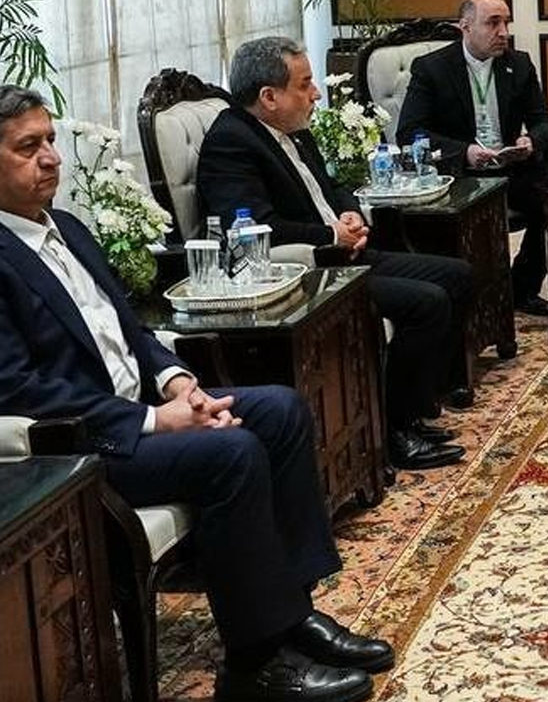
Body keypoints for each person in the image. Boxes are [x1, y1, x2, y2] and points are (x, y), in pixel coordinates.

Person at [0, 85, 390, 702]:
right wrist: (156, 420)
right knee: (232, 453)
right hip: (87, 446)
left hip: (148, 404)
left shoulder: (67, 227)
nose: (50, 157)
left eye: (50, 140)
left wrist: (179, 382)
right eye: (28, 147)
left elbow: (130, 329)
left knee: (282, 409)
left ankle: (294, 613)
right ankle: (254, 664)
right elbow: (20, 389)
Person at [198, 36, 469, 471]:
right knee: (427, 303)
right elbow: (253, 227)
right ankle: (395, 431)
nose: (316, 94)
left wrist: (349, 212)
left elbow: (331, 185)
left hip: (347, 254)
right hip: (312, 274)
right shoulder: (230, 143)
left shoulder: (293, 129)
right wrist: (330, 235)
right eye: (305, 84)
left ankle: (415, 405)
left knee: (457, 276)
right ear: (269, 97)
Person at [396, 0, 548, 317]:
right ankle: (469, 290)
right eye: (493, 23)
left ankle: (521, 288)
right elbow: (410, 132)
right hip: (460, 173)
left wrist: (530, 141)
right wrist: (465, 152)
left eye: (506, 23)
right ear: (465, 27)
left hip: (511, 167)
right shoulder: (432, 68)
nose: (504, 33)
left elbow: (544, 122)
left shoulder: (519, 64)